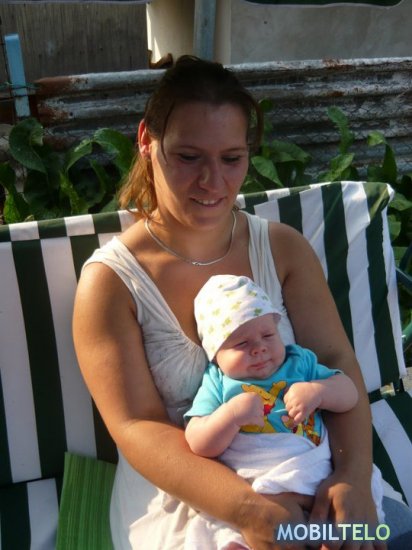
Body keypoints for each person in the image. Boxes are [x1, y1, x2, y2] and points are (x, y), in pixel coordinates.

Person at [72, 55, 412, 550]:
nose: (213, 182)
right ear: (146, 141)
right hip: (191, 494)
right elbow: (136, 425)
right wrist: (246, 509)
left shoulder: (282, 249)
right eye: (189, 157)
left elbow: (335, 361)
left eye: (231, 158)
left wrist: (353, 476)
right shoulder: (112, 282)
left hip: (306, 465)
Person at [184, 274, 384, 548]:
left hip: (314, 470)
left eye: (268, 335)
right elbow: (197, 441)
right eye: (241, 344)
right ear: (216, 353)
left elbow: (350, 394)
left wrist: (319, 391)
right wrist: (230, 416)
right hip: (260, 482)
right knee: (226, 533)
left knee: (351, 520)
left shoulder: (298, 361)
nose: (259, 348)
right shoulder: (218, 381)